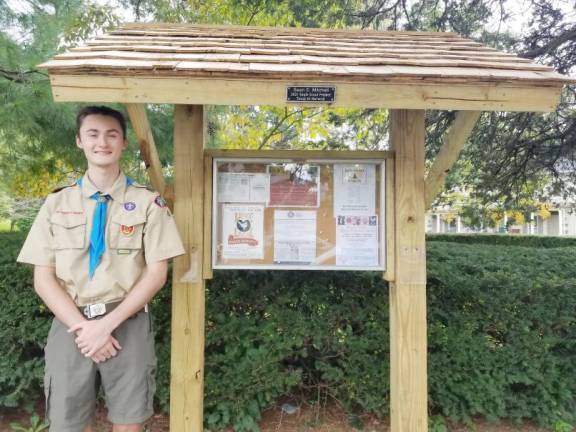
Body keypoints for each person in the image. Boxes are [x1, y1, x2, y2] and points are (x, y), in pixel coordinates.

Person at [17, 106, 185, 432]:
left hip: (127, 323)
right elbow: (43, 277)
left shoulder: (149, 204)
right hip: (70, 324)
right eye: (93, 134)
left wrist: (106, 325)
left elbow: (156, 274)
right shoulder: (56, 204)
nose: (102, 142)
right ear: (79, 140)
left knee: (129, 422)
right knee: (67, 424)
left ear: (123, 143)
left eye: (111, 135)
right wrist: (85, 328)